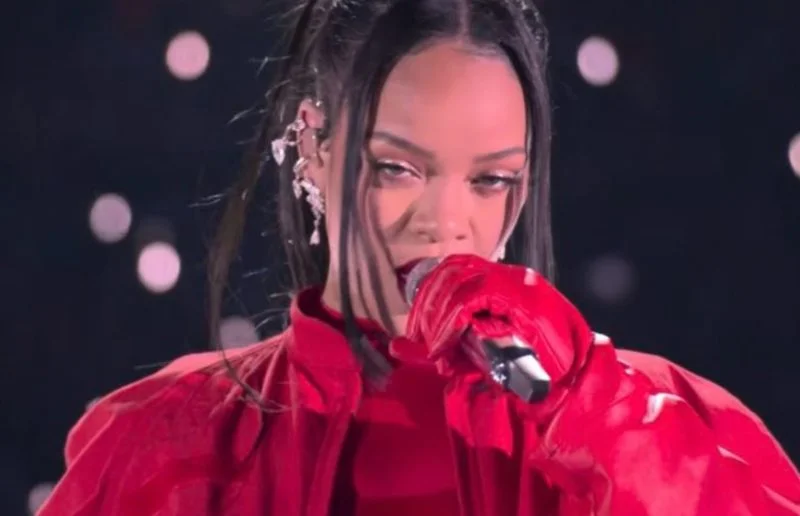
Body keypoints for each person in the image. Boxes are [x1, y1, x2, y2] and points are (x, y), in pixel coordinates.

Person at [40, 0, 800, 514]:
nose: (446, 224)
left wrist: (594, 410)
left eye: (490, 180)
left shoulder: (669, 422)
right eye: (398, 168)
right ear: (313, 146)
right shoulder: (169, 443)